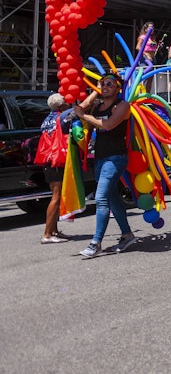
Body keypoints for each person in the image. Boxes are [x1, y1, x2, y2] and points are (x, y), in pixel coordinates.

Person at [73, 73, 137, 258]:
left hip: (115, 158)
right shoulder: (98, 105)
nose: (105, 87)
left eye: (110, 84)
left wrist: (84, 115)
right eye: (103, 84)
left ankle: (96, 243)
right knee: (111, 198)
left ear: (118, 88)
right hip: (100, 157)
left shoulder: (122, 106)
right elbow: (80, 108)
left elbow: (108, 125)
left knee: (101, 198)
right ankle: (127, 234)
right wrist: (95, 90)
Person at [37, 93, 75, 244]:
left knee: (56, 195)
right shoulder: (61, 117)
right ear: (61, 106)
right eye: (66, 103)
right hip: (56, 160)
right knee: (56, 197)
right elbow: (78, 110)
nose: (68, 104)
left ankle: (54, 231)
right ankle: (47, 234)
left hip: (47, 160)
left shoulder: (47, 119)